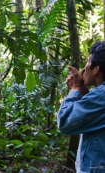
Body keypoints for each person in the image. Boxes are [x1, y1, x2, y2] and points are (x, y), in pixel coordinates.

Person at [57, 40, 105, 173]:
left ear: (96, 70)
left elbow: (65, 122)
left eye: (88, 63)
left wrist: (75, 88)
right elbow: (92, 113)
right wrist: (83, 90)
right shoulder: (99, 96)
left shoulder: (101, 95)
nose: (84, 69)